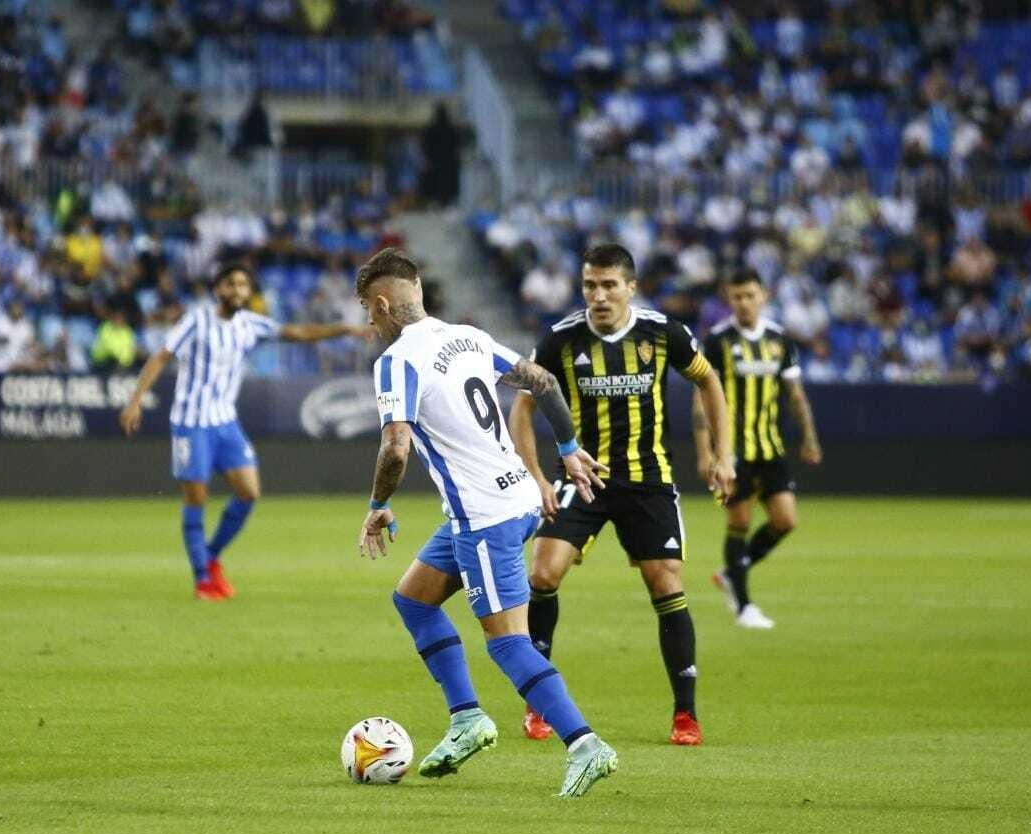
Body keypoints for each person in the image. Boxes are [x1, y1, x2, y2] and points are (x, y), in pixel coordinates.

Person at [352, 248, 618, 798]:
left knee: (506, 643)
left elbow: (396, 447)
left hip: (484, 517)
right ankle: (468, 719)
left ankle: (585, 743)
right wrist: (567, 448)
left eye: (367, 311)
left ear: (381, 303)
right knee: (414, 599)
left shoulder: (397, 362)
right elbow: (541, 381)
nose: (368, 323)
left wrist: (378, 504)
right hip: (516, 498)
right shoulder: (468, 337)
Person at [508, 243, 734, 746]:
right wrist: (536, 479)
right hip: (580, 477)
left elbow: (709, 381)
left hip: (646, 478)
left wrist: (724, 455)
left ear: (631, 287)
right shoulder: (560, 339)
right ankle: (538, 702)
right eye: (590, 285)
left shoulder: (663, 332)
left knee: (666, 584)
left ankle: (685, 714)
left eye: (609, 285)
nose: (599, 295)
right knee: (542, 574)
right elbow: (522, 409)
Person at [119, 263, 373, 600]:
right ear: (217, 289)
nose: (238, 290)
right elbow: (161, 356)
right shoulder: (196, 319)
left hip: (225, 422)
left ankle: (210, 556)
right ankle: (202, 580)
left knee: (249, 492)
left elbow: (297, 333)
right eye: (231, 284)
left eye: (243, 285)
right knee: (196, 497)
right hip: (190, 422)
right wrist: (136, 400)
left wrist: (344, 330)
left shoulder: (250, 324)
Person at [696, 267, 822, 629]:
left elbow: (795, 395)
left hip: (770, 448)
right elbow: (700, 399)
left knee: (785, 520)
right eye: (737, 297)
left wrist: (810, 438)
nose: (744, 303)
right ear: (729, 299)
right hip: (733, 452)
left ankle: (733, 571)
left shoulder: (780, 339)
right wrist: (706, 452)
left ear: (763, 296)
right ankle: (744, 606)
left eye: (750, 295)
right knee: (739, 520)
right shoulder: (718, 341)